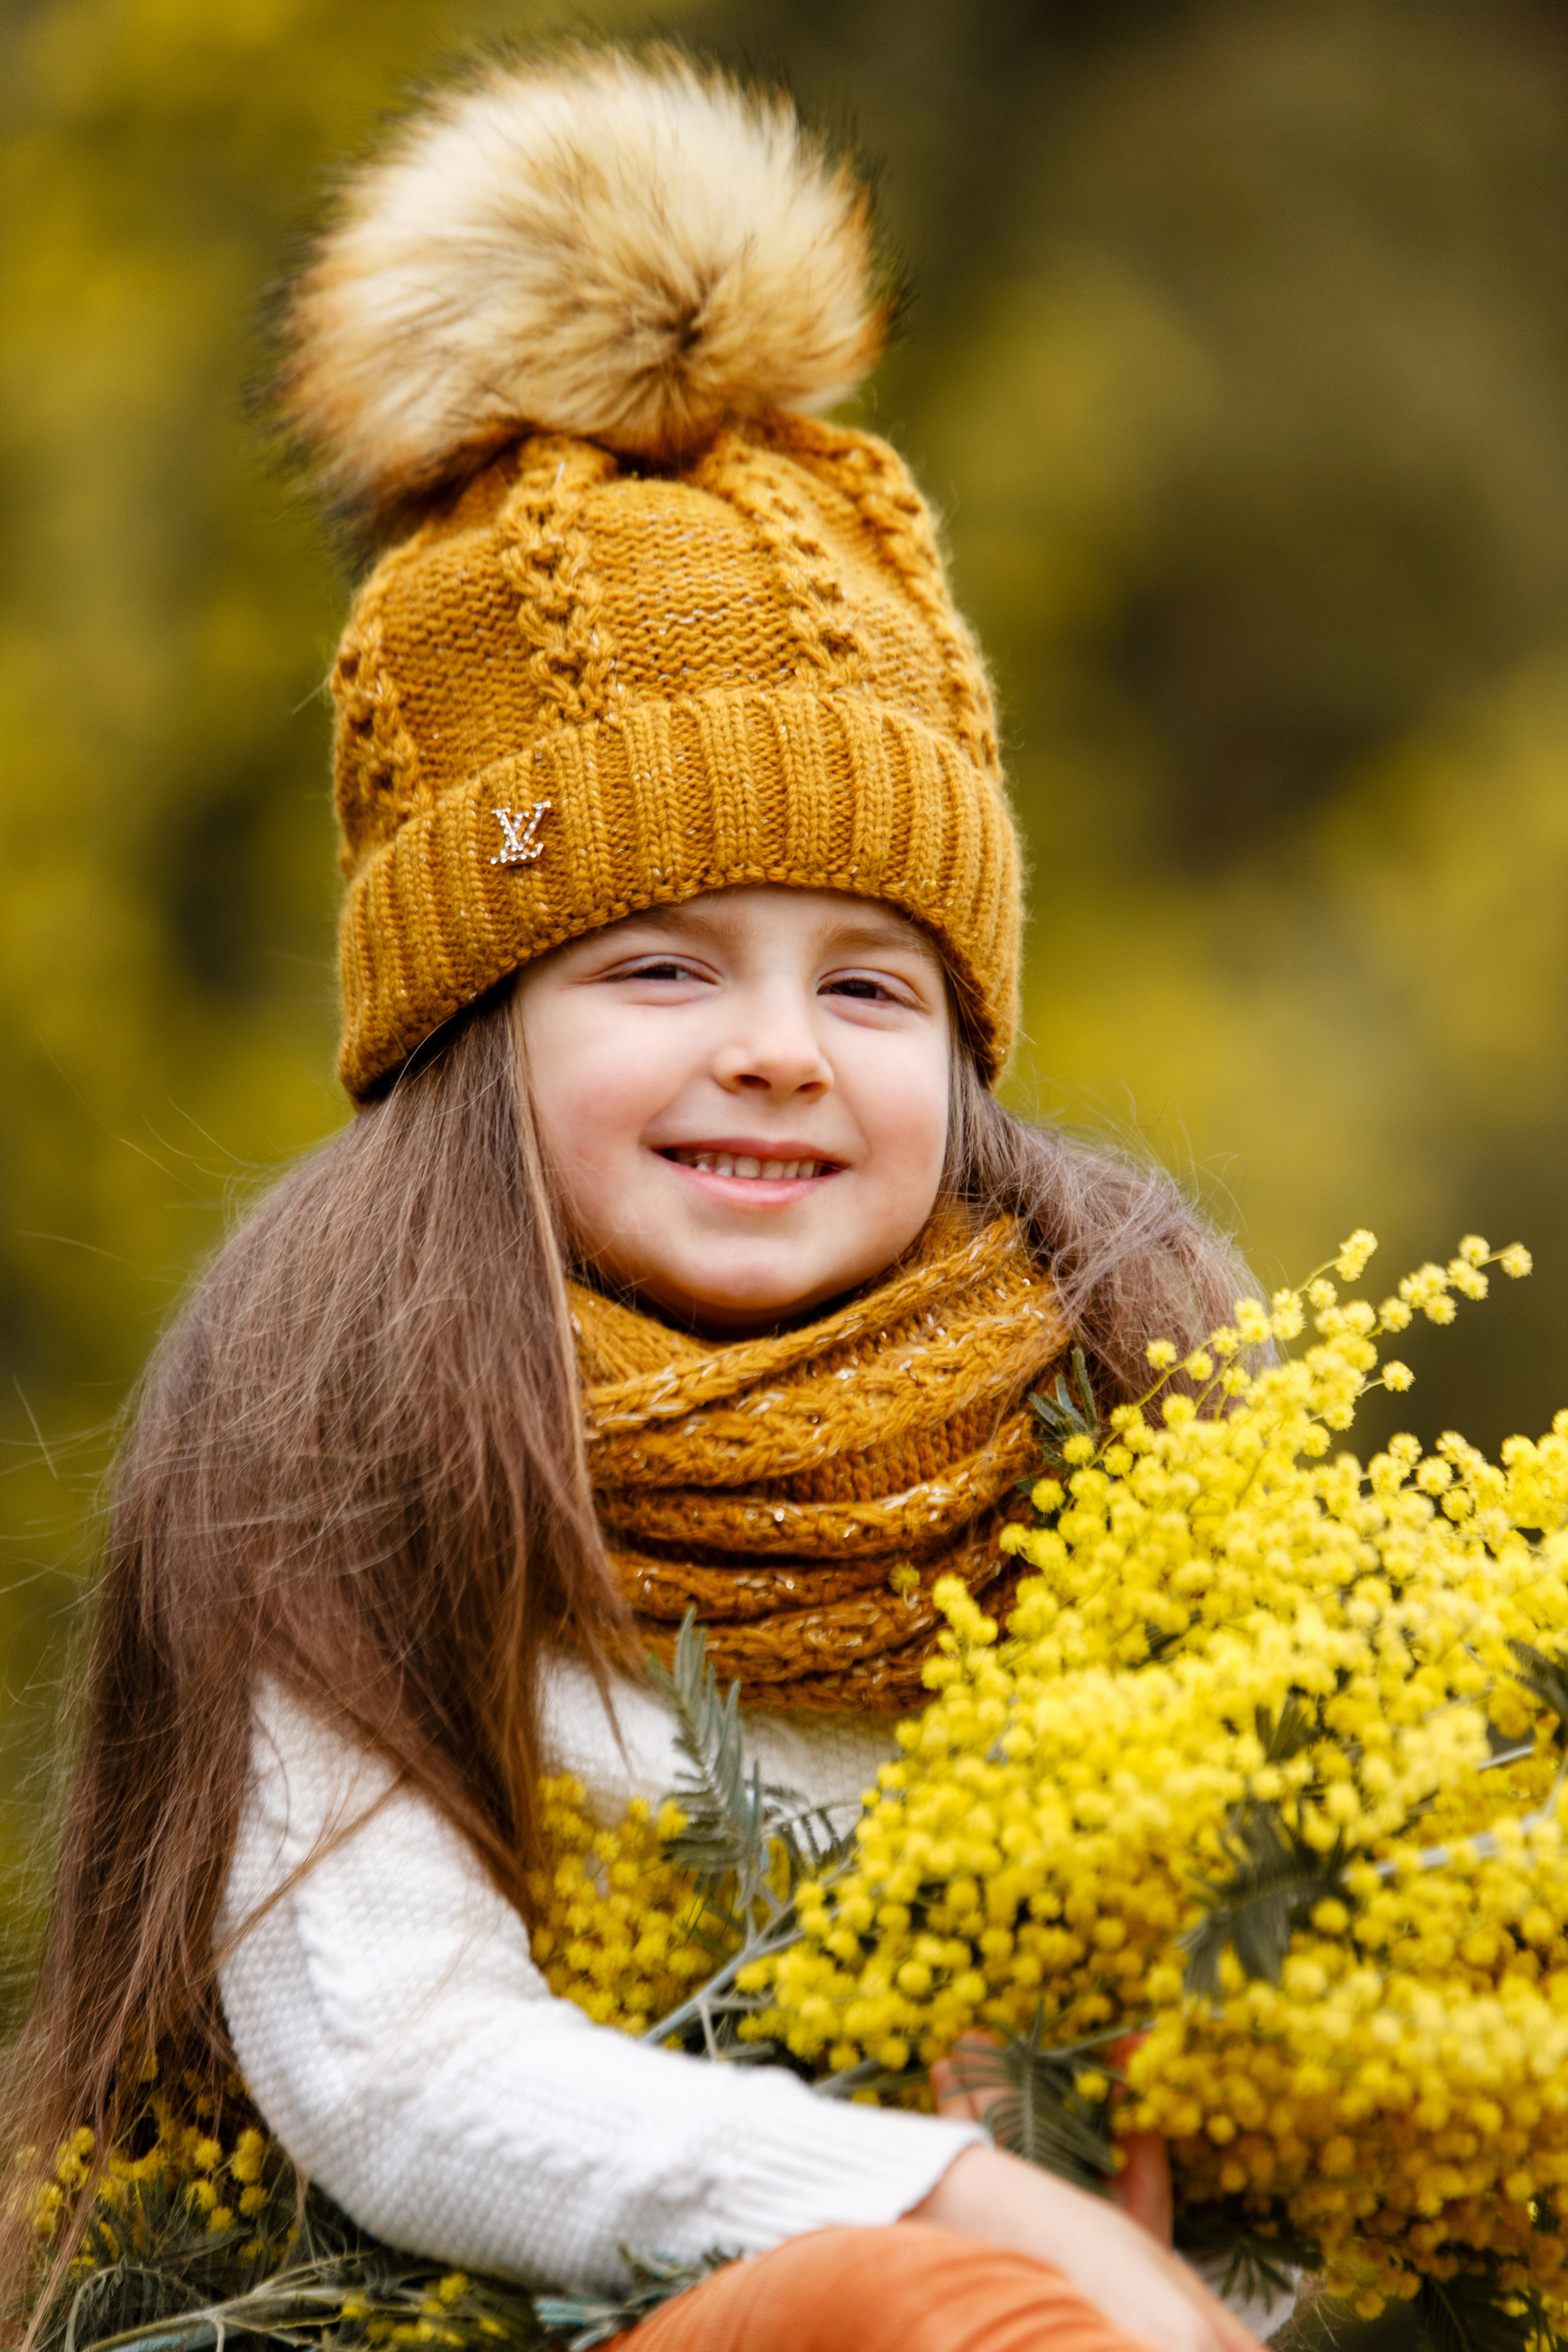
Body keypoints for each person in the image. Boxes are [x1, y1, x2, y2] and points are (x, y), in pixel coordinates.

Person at [4, 47, 1274, 2352]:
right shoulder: (359, 1440)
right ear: (471, 1023)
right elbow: (395, 2061)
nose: (779, 1046)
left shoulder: (1123, 1405)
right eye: (662, 966)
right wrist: (961, 2205)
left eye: (872, 984)